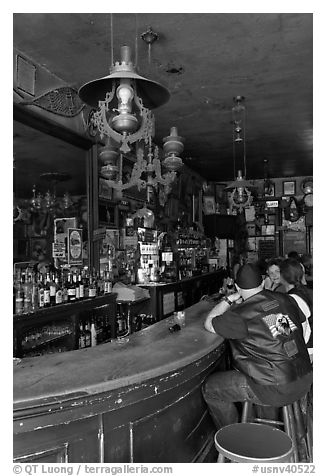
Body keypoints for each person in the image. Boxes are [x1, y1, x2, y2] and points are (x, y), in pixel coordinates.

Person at [202, 263, 313, 429]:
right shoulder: (284, 299)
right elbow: (289, 330)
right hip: (305, 377)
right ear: (262, 282)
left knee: (210, 389)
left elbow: (209, 323)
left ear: (238, 287)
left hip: (276, 388)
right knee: (263, 376)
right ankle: (269, 431)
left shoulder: (239, 314)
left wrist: (228, 299)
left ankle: (234, 438)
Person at [280, 258, 313, 359]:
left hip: (306, 350)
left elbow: (286, 332)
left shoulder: (289, 300)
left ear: (282, 277)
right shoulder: (308, 291)